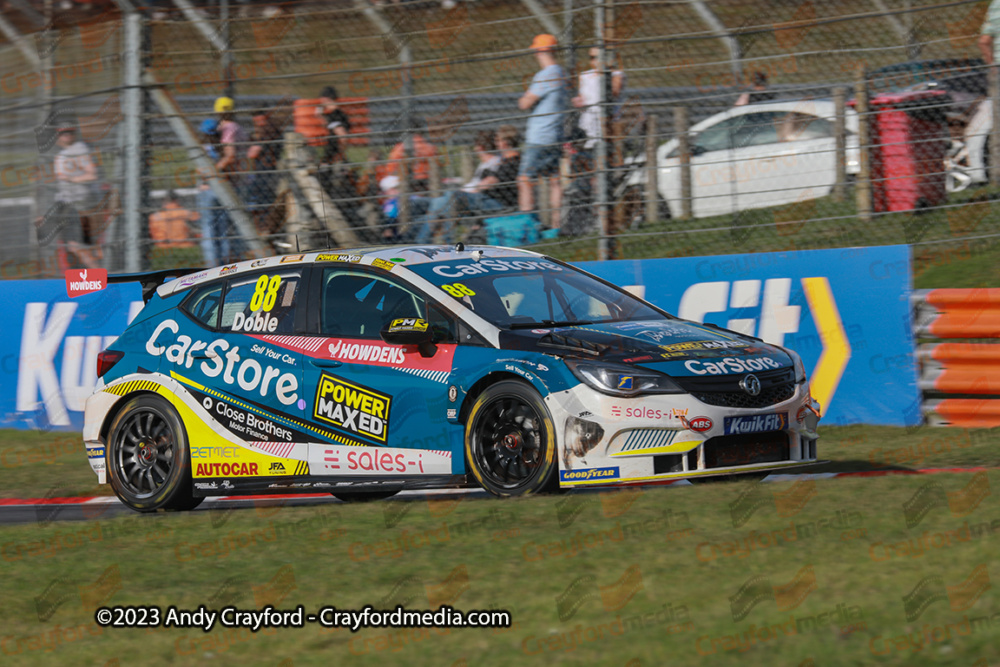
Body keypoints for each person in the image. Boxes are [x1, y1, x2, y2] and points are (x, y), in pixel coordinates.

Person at [413, 127, 519, 243]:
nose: (497, 144)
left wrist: (477, 187)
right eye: (496, 141)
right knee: (427, 204)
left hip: (492, 202)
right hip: (476, 197)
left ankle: (436, 242)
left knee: (448, 198)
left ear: (506, 142)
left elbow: (488, 183)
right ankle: (416, 240)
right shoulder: (501, 161)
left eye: (498, 141)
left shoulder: (508, 161)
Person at [518, 33, 569, 230]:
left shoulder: (546, 74)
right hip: (555, 134)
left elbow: (525, 102)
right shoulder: (562, 73)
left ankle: (529, 225)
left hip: (540, 136)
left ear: (540, 51)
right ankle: (557, 225)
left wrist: (525, 99)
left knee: (524, 179)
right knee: (554, 181)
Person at [47, 126, 101, 269]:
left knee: (76, 244)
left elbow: (92, 174)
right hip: (69, 204)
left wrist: (71, 179)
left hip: (79, 204)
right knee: (76, 244)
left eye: (68, 133)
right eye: (62, 133)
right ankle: (99, 274)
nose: (65, 136)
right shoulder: (65, 153)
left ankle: (102, 275)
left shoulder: (79, 150)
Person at [572, 48, 626, 149]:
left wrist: (604, 73)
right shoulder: (585, 75)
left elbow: (614, 93)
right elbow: (582, 96)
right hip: (587, 122)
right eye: (591, 58)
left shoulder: (616, 74)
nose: (593, 61)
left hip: (606, 123)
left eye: (597, 57)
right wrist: (578, 101)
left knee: (605, 152)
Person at [196, 118, 231, 266]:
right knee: (223, 230)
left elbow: (200, 171)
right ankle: (225, 264)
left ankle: (212, 265)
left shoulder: (204, 149)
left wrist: (209, 175)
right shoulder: (223, 146)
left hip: (207, 189)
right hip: (222, 189)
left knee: (209, 230)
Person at [387, 124, 440, 193]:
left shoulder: (400, 147)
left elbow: (390, 168)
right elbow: (438, 164)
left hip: (406, 179)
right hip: (427, 178)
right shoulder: (429, 146)